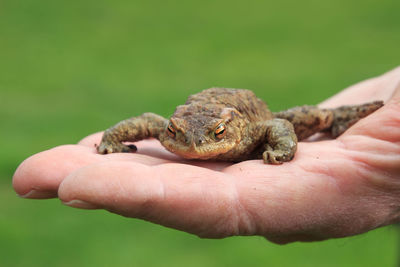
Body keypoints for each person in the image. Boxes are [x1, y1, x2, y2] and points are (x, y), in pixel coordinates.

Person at [12, 66, 400, 244]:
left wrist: (282, 150)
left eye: (212, 138)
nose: (193, 149)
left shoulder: (243, 129)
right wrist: (112, 140)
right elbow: (146, 121)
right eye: (177, 137)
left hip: (244, 109)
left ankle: (339, 118)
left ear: (225, 132)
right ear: (173, 129)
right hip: (201, 114)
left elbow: (275, 127)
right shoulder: (170, 128)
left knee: (311, 116)